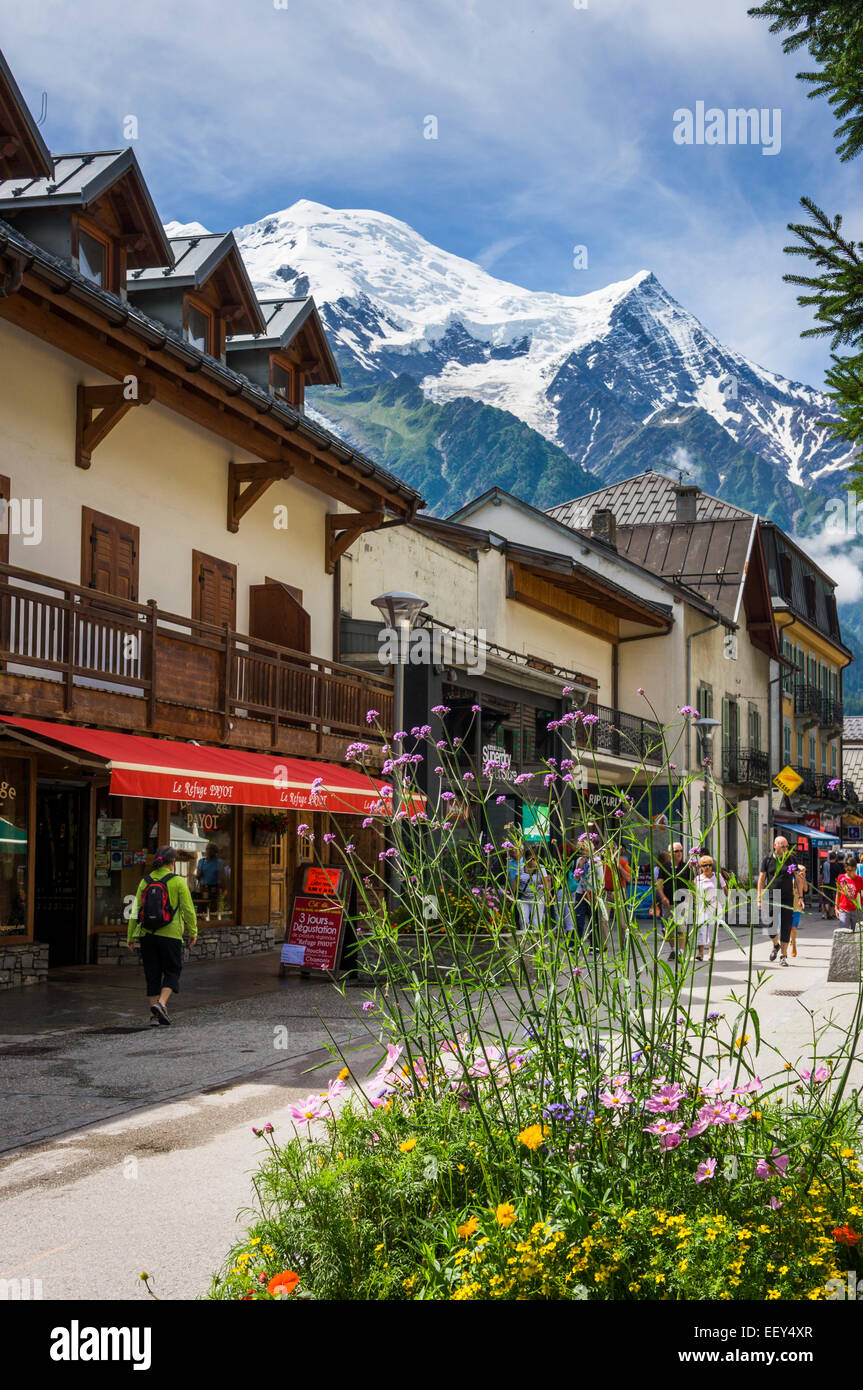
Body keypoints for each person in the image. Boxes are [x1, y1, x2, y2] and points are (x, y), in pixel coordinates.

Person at [127, 846, 197, 1025]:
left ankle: (154, 1017)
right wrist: (193, 932)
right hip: (171, 935)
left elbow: (135, 911)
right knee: (173, 970)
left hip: (147, 934)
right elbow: (188, 910)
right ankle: (161, 1003)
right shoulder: (178, 882)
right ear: (173, 862)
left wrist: (131, 936)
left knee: (152, 974)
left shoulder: (145, 881)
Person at [757, 835, 805, 968]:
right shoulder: (767, 860)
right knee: (770, 926)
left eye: (787, 846)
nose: (785, 849)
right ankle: (776, 945)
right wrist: (759, 898)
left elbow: (798, 879)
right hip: (773, 896)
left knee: (786, 926)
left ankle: (783, 956)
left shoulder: (791, 859)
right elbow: (761, 879)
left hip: (788, 896)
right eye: (783, 846)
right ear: (775, 846)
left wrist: (800, 897)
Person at [693, 854, 726, 963]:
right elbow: (693, 893)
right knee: (701, 930)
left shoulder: (717, 876)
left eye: (709, 865)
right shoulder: (698, 879)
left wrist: (727, 900)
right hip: (702, 907)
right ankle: (700, 953)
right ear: (701, 867)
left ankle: (711, 954)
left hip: (714, 906)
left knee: (713, 929)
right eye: (704, 865)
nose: (707, 867)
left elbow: (725, 888)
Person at [196, 842, 226, 918]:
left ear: (215, 851)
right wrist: (199, 874)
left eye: (211, 849)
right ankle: (201, 921)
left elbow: (222, 878)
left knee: (213, 912)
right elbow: (197, 877)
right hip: (203, 889)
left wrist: (222, 889)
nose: (209, 851)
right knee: (201, 912)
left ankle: (213, 922)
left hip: (214, 889)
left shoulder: (219, 862)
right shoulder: (201, 861)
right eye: (207, 849)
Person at [835, 854, 863, 932]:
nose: (849, 872)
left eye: (851, 870)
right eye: (847, 870)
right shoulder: (841, 878)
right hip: (844, 909)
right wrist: (836, 907)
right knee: (843, 932)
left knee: (857, 933)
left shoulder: (860, 880)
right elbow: (838, 893)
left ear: (855, 868)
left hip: (857, 910)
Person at [791, 862, 808, 958]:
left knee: (793, 927)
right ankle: (792, 940)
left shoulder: (802, 879)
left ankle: (793, 944)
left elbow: (805, 889)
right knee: (787, 927)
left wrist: (803, 879)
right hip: (787, 903)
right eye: (801, 871)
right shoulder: (788, 877)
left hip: (797, 905)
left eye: (804, 871)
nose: (802, 872)